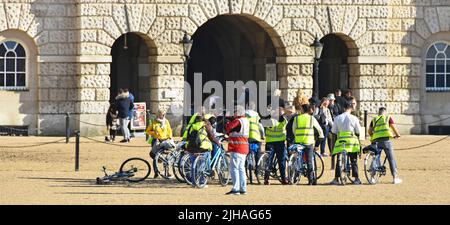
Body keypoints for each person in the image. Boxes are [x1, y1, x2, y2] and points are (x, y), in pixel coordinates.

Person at [330, 96, 362, 185]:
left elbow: (333, 131)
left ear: (343, 108)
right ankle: (356, 178)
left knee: (338, 160)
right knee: (353, 160)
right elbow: (358, 131)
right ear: (350, 108)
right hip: (351, 142)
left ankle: (336, 178)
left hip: (341, 141)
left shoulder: (337, 118)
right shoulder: (354, 118)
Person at [368, 107, 403, 184]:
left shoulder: (374, 119)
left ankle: (372, 177)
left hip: (376, 141)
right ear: (385, 112)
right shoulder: (388, 117)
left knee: (376, 157)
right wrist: (397, 135)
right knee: (391, 158)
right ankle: (395, 177)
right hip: (386, 141)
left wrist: (373, 136)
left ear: (379, 113)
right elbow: (393, 127)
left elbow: (370, 131)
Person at [292, 104, 324, 185]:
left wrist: (297, 137)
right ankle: (310, 180)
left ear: (302, 110)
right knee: (309, 161)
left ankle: (295, 176)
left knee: (297, 159)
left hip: (298, 142)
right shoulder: (311, 118)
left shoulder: (296, 118)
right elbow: (320, 130)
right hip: (309, 142)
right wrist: (320, 139)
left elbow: (294, 130)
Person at [186, 113, 221, 187]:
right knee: (202, 165)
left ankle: (193, 182)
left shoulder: (192, 126)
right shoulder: (206, 125)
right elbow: (211, 137)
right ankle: (202, 182)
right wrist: (218, 142)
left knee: (193, 165)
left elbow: (187, 136)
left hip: (191, 147)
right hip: (202, 147)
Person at [225, 106, 250, 195]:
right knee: (241, 168)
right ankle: (243, 188)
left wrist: (228, 121)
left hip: (237, 147)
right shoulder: (246, 120)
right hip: (244, 147)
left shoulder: (238, 121)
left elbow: (228, 128)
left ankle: (235, 188)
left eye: (234, 111)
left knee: (234, 168)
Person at [263, 107, 288, 185]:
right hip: (280, 143)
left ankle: (266, 179)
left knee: (268, 161)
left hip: (270, 142)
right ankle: (284, 179)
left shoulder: (271, 120)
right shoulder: (284, 121)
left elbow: (262, 123)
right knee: (282, 161)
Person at [145, 108, 174, 178]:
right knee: (155, 157)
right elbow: (147, 131)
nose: (164, 115)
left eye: (164, 114)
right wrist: (154, 132)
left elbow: (169, 130)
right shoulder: (154, 122)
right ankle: (156, 172)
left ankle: (167, 172)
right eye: (162, 114)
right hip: (157, 141)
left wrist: (170, 137)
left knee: (166, 157)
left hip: (166, 140)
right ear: (159, 114)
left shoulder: (166, 121)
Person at [245, 101, 265, 184]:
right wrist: (263, 135)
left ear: (246, 106)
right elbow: (261, 127)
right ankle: (257, 168)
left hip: (246, 138)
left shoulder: (244, 115)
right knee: (258, 155)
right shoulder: (257, 116)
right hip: (256, 138)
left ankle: (246, 165)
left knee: (245, 153)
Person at [327, 93, 339, 169]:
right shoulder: (327, 107)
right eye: (330, 100)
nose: (331, 102)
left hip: (336, 126)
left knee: (336, 146)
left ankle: (335, 164)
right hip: (329, 126)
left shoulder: (336, 106)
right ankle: (332, 165)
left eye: (332, 100)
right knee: (330, 144)